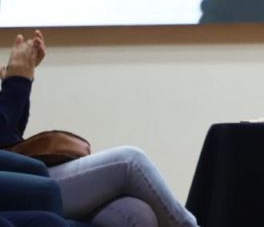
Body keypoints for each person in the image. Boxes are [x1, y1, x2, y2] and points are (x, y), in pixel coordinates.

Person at [0, 31, 197, 227]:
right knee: (130, 162)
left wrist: (21, 78)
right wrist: (17, 81)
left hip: (21, 174)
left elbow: (10, 138)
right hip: (21, 182)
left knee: (135, 213)